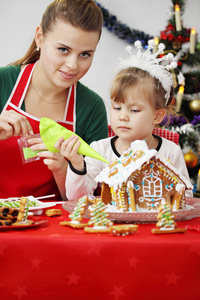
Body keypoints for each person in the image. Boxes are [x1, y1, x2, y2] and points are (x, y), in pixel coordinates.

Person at [55, 40, 193, 200]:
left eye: (134, 110)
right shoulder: (99, 150)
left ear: (157, 116)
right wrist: (77, 165)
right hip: (110, 224)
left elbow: (186, 197)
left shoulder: (170, 152)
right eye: (117, 108)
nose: (122, 116)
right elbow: (77, 198)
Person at [0, 0, 108, 199]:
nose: (72, 65)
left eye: (85, 54)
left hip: (53, 225)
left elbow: (93, 196)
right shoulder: (2, 82)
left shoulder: (92, 107)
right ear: (40, 38)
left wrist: (64, 170)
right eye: (63, 50)